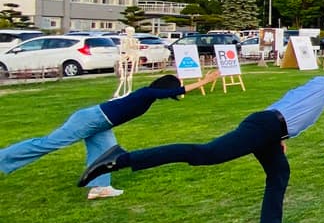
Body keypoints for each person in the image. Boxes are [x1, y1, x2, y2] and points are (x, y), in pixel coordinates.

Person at [79, 59, 324, 223]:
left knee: (279, 173)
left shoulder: (308, 88)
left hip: (269, 128)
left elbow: (281, 114)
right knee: (204, 154)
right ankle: (118, 160)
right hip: (266, 127)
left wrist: (279, 140)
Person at [0, 71, 219, 200]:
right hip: (92, 119)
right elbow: (172, 92)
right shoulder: (147, 93)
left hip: (102, 123)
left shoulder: (147, 97)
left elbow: (169, 94)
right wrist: (204, 81)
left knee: (106, 155)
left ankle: (100, 188)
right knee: (48, 144)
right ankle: (3, 157)